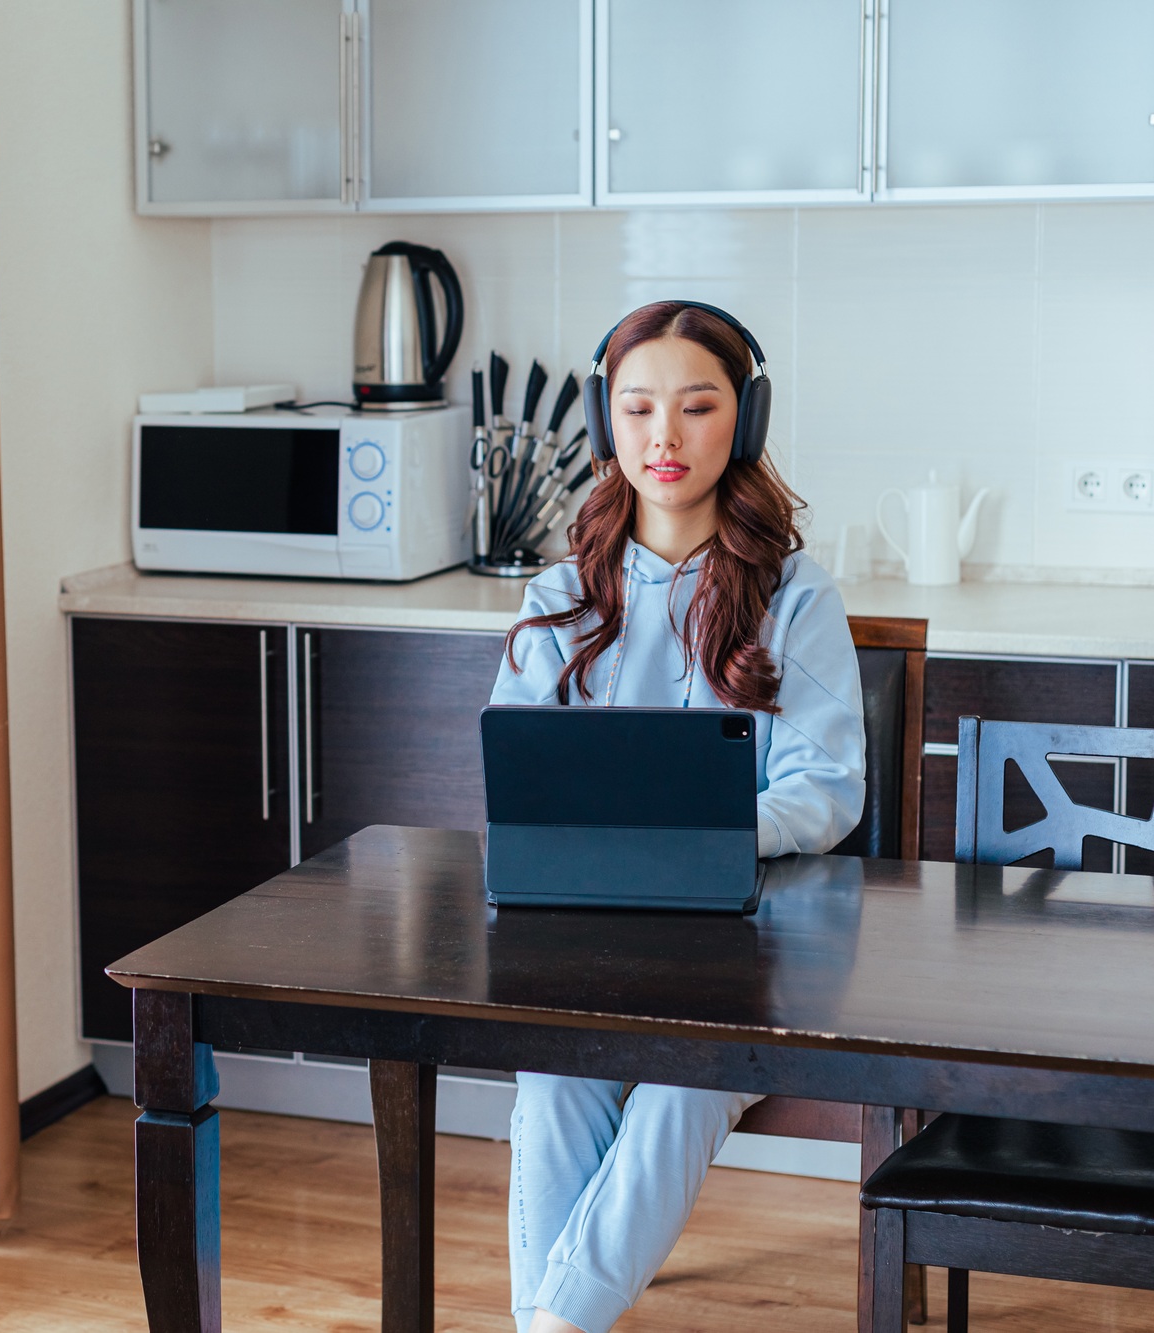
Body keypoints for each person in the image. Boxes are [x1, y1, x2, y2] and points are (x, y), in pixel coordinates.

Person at [490, 301, 867, 1333]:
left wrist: (694, 835)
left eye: (695, 407)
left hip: (750, 955)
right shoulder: (554, 597)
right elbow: (514, 777)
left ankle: (550, 1322)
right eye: (638, 408)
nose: (663, 437)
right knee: (555, 1080)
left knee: (679, 1086)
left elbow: (825, 790)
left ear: (740, 422)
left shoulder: (796, 596)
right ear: (604, 419)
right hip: (586, 947)